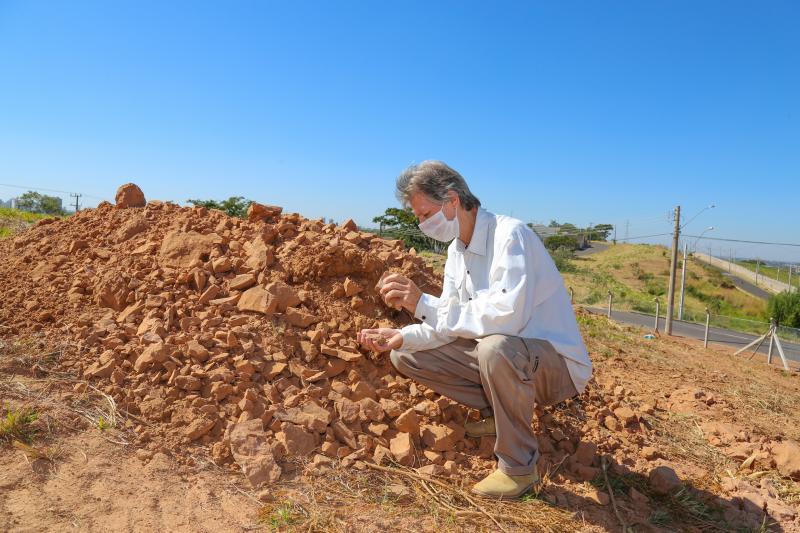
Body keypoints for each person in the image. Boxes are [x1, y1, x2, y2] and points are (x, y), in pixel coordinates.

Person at [358, 160, 592, 498]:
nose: (423, 224)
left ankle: (518, 468)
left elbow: (506, 317)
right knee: (406, 356)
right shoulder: (457, 251)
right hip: (507, 359)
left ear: (453, 200)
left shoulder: (511, 236)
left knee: (494, 347)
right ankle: (500, 416)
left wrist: (420, 303)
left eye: (426, 214)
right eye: (419, 218)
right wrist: (402, 335)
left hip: (555, 367)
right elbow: (453, 321)